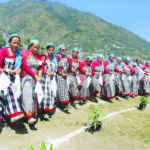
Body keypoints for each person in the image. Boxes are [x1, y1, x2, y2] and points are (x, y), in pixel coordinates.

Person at [0, 34, 24, 125]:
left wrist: (18, 70)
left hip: (13, 79)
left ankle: (8, 120)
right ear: (9, 42)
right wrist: (7, 70)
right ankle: (13, 115)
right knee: (7, 96)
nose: (15, 45)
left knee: (11, 97)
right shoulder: (4, 51)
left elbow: (20, 67)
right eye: (14, 42)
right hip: (3, 78)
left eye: (17, 43)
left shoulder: (18, 54)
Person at [21, 40, 42, 125]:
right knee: (27, 95)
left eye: (37, 48)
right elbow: (23, 65)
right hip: (26, 77)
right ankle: (29, 117)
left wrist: (39, 75)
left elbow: (41, 67)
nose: (36, 49)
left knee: (34, 96)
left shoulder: (39, 57)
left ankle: (33, 115)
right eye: (34, 47)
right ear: (30, 46)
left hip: (36, 79)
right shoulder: (24, 53)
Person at [39, 43, 57, 119]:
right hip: (45, 79)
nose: (51, 51)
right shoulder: (44, 57)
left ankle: (47, 110)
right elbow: (41, 66)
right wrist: (48, 73)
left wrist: (54, 73)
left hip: (51, 79)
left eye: (52, 50)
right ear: (46, 50)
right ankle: (43, 112)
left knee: (50, 94)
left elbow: (54, 67)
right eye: (49, 50)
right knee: (45, 94)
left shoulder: (52, 58)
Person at [55, 45, 71, 110]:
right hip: (59, 74)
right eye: (62, 50)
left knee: (63, 88)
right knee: (62, 89)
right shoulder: (57, 57)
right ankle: (65, 104)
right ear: (59, 50)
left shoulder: (66, 58)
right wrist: (61, 73)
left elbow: (68, 66)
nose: (64, 51)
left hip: (65, 74)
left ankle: (59, 103)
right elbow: (56, 66)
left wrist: (67, 73)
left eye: (65, 50)